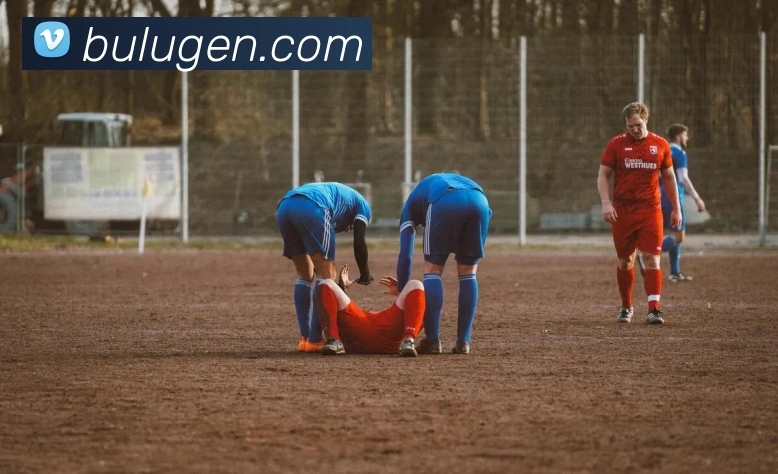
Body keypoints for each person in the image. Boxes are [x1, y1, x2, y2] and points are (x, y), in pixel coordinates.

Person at [597, 102, 682, 325]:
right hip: (622, 212)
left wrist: (676, 208)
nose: (634, 129)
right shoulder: (616, 144)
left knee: (652, 258)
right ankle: (626, 306)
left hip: (650, 210)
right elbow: (603, 175)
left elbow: (669, 177)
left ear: (646, 120)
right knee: (626, 261)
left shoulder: (660, 145)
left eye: (638, 125)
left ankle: (654, 309)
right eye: (630, 126)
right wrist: (606, 203)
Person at [396, 173, 491, 354]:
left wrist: (402, 288)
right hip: (480, 201)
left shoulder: (409, 206)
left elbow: (406, 254)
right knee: (468, 272)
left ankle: (433, 341)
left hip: (443, 200)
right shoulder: (433, 185)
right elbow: (488, 213)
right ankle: (463, 342)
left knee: (432, 270)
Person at [276, 182, 374, 353]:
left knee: (304, 274)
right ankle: (315, 339)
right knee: (327, 276)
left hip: (285, 206)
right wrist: (365, 272)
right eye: (350, 227)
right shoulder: (363, 206)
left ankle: (304, 339)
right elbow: (359, 242)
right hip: (315, 207)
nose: (347, 230)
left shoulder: (340, 197)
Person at [316, 264, 425, 357]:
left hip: (357, 330)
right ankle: (408, 341)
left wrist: (401, 293)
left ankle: (333, 340)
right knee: (415, 284)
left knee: (326, 283)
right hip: (387, 332)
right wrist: (402, 294)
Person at [659, 124, 706, 282]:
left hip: (657, 196)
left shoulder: (661, 150)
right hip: (673, 197)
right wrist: (697, 198)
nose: (687, 138)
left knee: (674, 233)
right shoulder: (679, 153)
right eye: (685, 135)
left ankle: (675, 271)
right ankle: (650, 254)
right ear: (678, 137)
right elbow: (683, 178)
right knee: (679, 236)